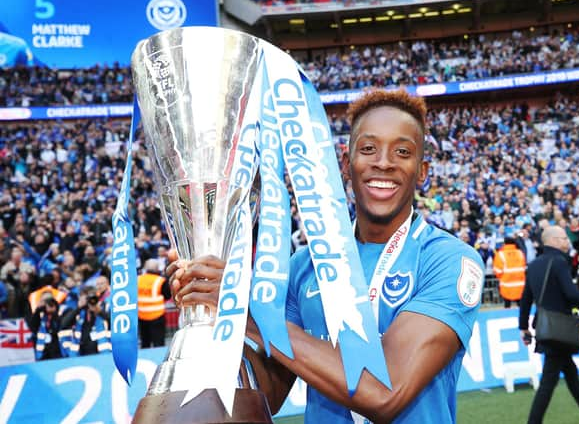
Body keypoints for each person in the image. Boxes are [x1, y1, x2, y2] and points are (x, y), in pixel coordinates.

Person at [168, 89, 485, 422]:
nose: (384, 162)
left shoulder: (448, 261)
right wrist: (215, 308)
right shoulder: (304, 266)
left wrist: (248, 311)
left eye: (403, 151)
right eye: (368, 149)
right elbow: (270, 393)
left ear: (421, 171)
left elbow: (385, 393)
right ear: (347, 165)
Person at [519, 226, 579, 424]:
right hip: (560, 329)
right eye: (564, 238)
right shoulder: (559, 262)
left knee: (570, 373)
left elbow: (525, 299)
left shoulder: (534, 265)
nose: (568, 242)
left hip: (545, 328)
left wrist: (524, 328)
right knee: (548, 382)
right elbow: (572, 295)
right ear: (554, 241)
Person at [60, 286, 111, 356]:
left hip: (101, 351)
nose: (90, 300)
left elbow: (112, 322)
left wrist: (99, 312)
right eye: (87, 298)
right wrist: (78, 308)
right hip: (81, 353)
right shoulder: (78, 311)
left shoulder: (103, 307)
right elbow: (64, 324)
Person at [138, 258, 171, 348]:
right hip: (157, 316)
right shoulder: (160, 281)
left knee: (145, 343)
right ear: (157, 269)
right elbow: (167, 295)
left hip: (141, 316)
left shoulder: (138, 279)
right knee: (159, 343)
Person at [28, 294, 64, 360]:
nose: (48, 304)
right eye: (45, 302)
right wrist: (38, 309)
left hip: (56, 348)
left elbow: (59, 326)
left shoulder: (60, 312)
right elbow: (32, 326)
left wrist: (54, 312)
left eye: (49, 301)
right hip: (42, 349)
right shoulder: (40, 314)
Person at [493, 236, 526, 308]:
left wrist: (502, 277)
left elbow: (497, 271)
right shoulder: (520, 253)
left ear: (504, 243)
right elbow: (523, 267)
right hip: (520, 284)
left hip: (506, 284)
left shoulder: (500, 254)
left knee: (507, 306)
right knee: (521, 306)